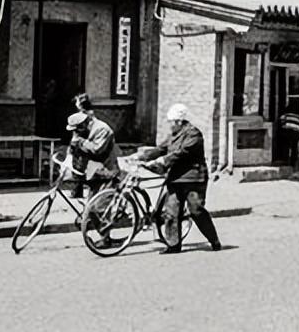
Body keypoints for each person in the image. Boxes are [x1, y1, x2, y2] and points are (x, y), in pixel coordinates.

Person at [137, 103, 221, 253]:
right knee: (171, 212)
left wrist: (163, 160)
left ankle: (213, 240)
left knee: (196, 210)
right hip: (175, 178)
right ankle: (173, 245)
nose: (169, 125)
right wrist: (141, 157)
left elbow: (182, 153)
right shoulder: (173, 136)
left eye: (171, 122)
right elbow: (161, 149)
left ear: (179, 121)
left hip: (193, 178)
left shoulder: (194, 134)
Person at [65, 94, 119, 200]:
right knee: (90, 204)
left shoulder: (102, 129)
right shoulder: (82, 126)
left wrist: (81, 141)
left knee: (98, 204)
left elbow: (96, 149)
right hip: (91, 171)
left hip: (105, 171)